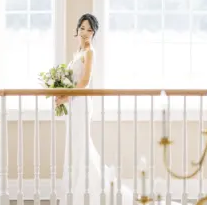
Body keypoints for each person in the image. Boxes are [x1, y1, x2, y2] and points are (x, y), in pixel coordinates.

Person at [56, 13, 188, 205]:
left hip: (81, 103)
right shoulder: (77, 53)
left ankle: (90, 192)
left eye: (89, 30)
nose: (85, 33)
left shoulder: (89, 52)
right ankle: (76, 190)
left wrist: (66, 96)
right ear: (77, 29)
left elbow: (84, 82)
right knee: (74, 146)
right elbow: (73, 81)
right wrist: (62, 95)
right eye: (82, 28)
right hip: (73, 103)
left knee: (81, 144)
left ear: (94, 34)